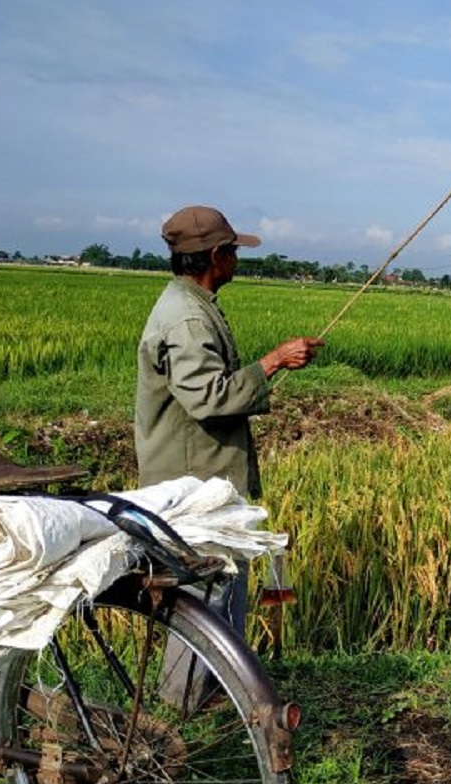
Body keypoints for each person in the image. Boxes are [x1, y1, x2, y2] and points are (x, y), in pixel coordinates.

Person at [136, 204, 323, 706]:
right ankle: (180, 711)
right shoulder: (188, 318)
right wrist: (274, 361)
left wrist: (273, 367)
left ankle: (214, 694)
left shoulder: (193, 303)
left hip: (204, 475)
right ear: (216, 256)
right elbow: (209, 397)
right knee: (201, 594)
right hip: (192, 483)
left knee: (221, 585)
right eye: (234, 249)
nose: (237, 257)